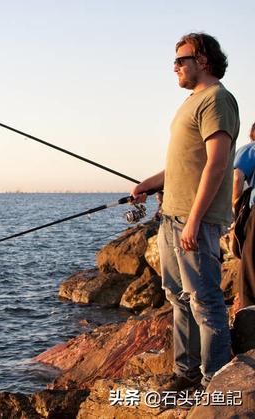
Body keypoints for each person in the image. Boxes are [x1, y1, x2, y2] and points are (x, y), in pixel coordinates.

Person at [132, 33, 239, 391]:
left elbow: (217, 164)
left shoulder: (217, 100)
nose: (175, 66)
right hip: (171, 218)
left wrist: (194, 220)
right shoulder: (192, 102)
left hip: (195, 222)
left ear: (204, 60)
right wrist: (149, 183)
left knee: (206, 304)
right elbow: (182, 166)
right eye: (174, 61)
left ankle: (216, 384)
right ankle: (186, 373)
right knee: (178, 298)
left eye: (181, 59)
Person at [232, 123, 255, 309]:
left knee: (250, 263)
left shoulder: (250, 149)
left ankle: (249, 312)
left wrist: (235, 205)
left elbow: (237, 177)